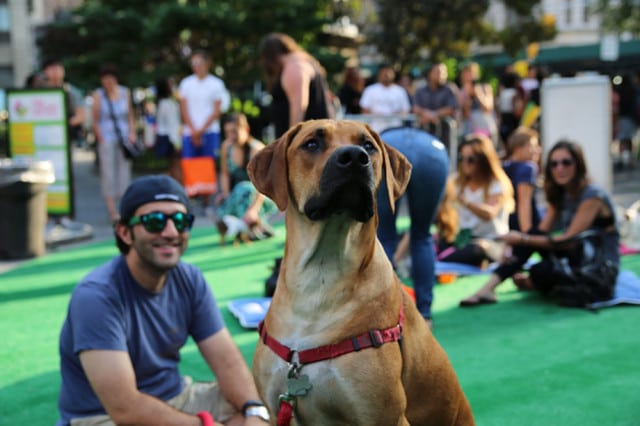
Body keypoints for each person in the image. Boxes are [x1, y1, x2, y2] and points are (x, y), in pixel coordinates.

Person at [56, 175, 269, 426]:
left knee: (269, 403)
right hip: (102, 416)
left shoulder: (189, 278)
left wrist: (255, 411)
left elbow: (227, 362)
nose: (171, 232)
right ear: (124, 232)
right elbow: (125, 409)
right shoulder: (96, 297)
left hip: (177, 398)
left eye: (181, 220)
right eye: (154, 221)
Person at [460, 140, 619, 306]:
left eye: (566, 163)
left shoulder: (593, 196)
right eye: (554, 164)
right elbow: (540, 232)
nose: (560, 168)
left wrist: (522, 239)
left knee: (535, 255)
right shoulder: (560, 194)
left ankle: (490, 288)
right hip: (575, 257)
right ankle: (491, 288)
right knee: (538, 267)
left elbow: (569, 242)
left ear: (578, 165)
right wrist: (513, 245)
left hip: (596, 265)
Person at [376, 127, 450, 328]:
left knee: (385, 235)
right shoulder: (427, 139)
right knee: (422, 235)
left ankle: (384, 312)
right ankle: (424, 315)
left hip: (388, 151)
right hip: (434, 155)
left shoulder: (385, 138)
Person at [438, 133, 514, 267]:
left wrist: (465, 202)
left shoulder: (497, 184)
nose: (465, 163)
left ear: (484, 160)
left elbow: (490, 213)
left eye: (471, 159)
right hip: (461, 238)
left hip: (491, 240)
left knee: (479, 249)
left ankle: (445, 256)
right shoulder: (455, 182)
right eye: (462, 158)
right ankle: (446, 255)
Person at [178, 51, 230, 211]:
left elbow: (217, 110)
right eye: (194, 63)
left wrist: (201, 130)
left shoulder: (216, 84)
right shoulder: (186, 83)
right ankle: (192, 198)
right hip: (190, 132)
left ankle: (207, 200)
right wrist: (194, 130)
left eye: (199, 63)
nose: (196, 67)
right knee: (190, 165)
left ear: (207, 64)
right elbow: (184, 108)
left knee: (207, 165)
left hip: (209, 131)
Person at [214, 113, 276, 243]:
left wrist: (253, 210)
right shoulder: (227, 146)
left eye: (234, 132)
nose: (231, 136)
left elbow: (264, 184)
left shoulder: (256, 149)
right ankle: (252, 227)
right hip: (238, 194)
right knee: (221, 218)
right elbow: (224, 173)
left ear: (246, 129)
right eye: (228, 132)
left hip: (260, 196)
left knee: (244, 188)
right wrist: (226, 195)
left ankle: (255, 225)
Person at [258, 32, 334, 138]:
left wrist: (292, 139)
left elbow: (299, 107)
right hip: (317, 135)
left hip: (308, 139)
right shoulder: (305, 61)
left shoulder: (294, 68)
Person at [91, 64, 136, 222]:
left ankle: (124, 206)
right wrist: (100, 137)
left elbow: (130, 115)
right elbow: (95, 120)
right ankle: (112, 211)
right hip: (107, 138)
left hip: (123, 138)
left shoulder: (125, 93)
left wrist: (132, 133)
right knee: (108, 174)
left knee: (124, 172)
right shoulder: (98, 95)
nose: (108, 83)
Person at [412, 62, 459, 144]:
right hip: (424, 133)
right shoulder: (421, 90)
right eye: (438, 72)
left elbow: (451, 108)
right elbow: (415, 108)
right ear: (430, 74)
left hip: (444, 135)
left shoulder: (449, 90)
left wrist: (435, 114)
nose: (441, 75)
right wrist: (426, 113)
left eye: (444, 72)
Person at [42, 58, 86, 145]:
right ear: (45, 72)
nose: (55, 71)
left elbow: (81, 116)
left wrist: (60, 124)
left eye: (58, 68)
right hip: (44, 138)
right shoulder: (39, 92)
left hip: (67, 138)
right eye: (51, 68)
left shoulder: (71, 91)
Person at [359, 63, 412, 133]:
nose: (386, 75)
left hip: (395, 130)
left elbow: (405, 110)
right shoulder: (370, 90)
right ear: (379, 74)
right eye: (384, 73)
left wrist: (394, 115)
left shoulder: (400, 91)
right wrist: (377, 116)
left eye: (389, 72)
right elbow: (364, 110)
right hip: (375, 130)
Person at [458, 62, 499, 147]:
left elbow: (488, 108)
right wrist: (467, 97)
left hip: (485, 126)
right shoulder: (462, 91)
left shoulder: (485, 87)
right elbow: (465, 114)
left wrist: (478, 94)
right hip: (470, 128)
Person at [153, 76, 182, 182]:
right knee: (176, 166)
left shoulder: (162, 103)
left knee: (171, 166)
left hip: (164, 137)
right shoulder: (168, 104)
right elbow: (172, 125)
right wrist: (177, 143)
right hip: (170, 139)